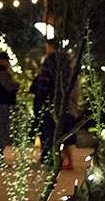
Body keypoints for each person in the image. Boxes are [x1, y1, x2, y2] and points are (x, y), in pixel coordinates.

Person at [30, 39, 79, 171]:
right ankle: (55, 160)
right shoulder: (67, 62)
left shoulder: (50, 61)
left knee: (48, 132)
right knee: (58, 133)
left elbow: (44, 84)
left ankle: (49, 160)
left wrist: (40, 98)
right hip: (63, 103)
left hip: (50, 101)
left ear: (51, 47)